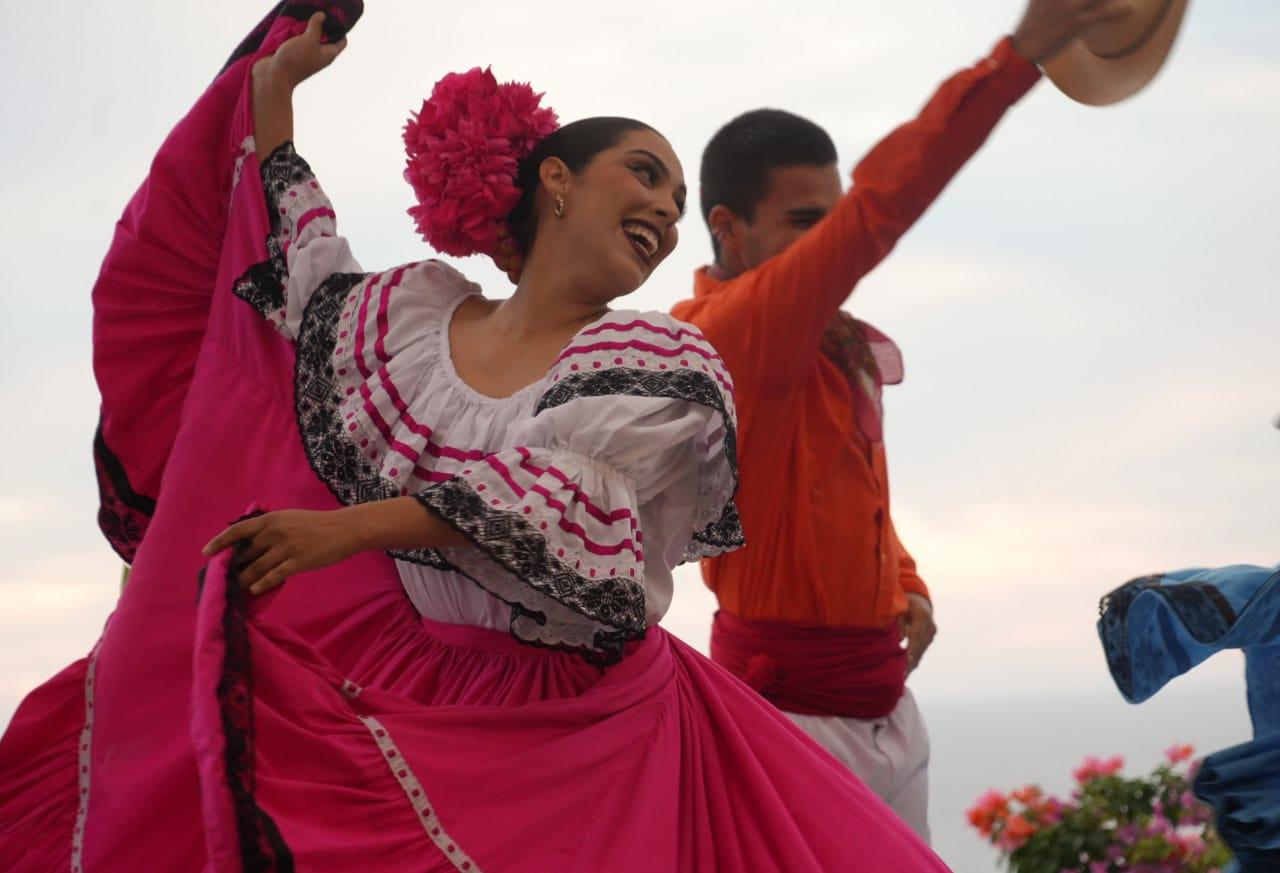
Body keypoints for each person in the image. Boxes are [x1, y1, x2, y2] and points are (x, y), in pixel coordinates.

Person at [0, 4, 949, 870]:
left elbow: (565, 503)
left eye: (674, 198)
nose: (666, 209)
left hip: (592, 734)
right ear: (558, 180)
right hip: (427, 695)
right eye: (646, 174)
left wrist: (343, 530)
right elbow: (294, 270)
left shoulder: (658, 358)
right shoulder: (411, 327)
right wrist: (274, 91)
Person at [671, 0, 1133, 841]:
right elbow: (881, 207)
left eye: (829, 218)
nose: (829, 247)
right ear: (727, 231)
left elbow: (838, 492)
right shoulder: (732, 332)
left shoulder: (818, 338)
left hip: (887, 708)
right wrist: (1017, 58)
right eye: (806, 226)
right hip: (787, 718)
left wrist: (904, 583)